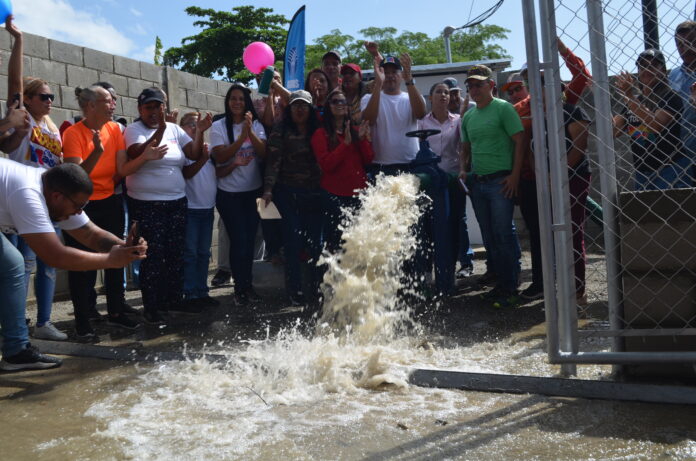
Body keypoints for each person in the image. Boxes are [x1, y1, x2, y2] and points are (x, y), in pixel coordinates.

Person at [0, 159, 146, 370]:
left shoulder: (54, 190)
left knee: (12, 263)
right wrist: (111, 260)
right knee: (12, 263)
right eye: (78, 206)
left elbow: (91, 235)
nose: (79, 212)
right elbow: (55, 256)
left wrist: (124, 247)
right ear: (58, 196)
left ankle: (16, 352)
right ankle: (15, 350)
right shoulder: (29, 194)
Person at [118, 87, 211, 324]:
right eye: (148, 107)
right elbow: (137, 151)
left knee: (174, 253)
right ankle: (152, 306)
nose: (153, 112)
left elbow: (193, 151)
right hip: (147, 204)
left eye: (157, 107)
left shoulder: (175, 129)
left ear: (164, 108)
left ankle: (172, 300)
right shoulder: (133, 130)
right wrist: (159, 129)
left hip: (176, 201)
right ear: (140, 110)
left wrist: (199, 132)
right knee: (153, 256)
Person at [1, 16, 66, 341]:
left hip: (46, 201)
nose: (50, 101)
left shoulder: (51, 126)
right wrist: (18, 40)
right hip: (18, 198)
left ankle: (43, 322)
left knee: (47, 264)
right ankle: (16, 325)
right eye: (43, 96)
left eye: (52, 97)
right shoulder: (22, 116)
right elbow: (14, 81)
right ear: (27, 99)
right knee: (19, 267)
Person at [515, 38, 592, 300]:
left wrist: (559, 47)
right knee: (546, 234)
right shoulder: (529, 111)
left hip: (570, 177)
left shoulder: (568, 106)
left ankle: (577, 290)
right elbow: (529, 146)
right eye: (530, 81)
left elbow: (580, 144)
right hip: (540, 181)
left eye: (541, 79)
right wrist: (537, 176)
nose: (535, 85)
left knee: (572, 232)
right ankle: (549, 286)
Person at [62, 85, 140, 340]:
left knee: (117, 257)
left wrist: (147, 155)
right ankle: (83, 320)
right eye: (107, 100)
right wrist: (96, 151)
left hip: (110, 201)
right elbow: (76, 178)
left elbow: (121, 168)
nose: (113, 104)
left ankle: (117, 312)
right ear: (91, 105)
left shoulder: (115, 129)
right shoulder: (73, 134)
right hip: (81, 206)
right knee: (82, 266)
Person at [459, 65, 524, 306]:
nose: (474, 89)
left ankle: (511, 287)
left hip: (501, 181)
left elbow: (519, 140)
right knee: (489, 236)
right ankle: (500, 284)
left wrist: (515, 175)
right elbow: (465, 148)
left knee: (503, 233)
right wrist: (464, 170)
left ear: (491, 86)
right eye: (471, 86)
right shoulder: (469, 116)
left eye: (479, 84)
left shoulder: (503, 109)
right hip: (479, 183)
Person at [263, 90, 323, 306]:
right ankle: (294, 290)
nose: (300, 109)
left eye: (304, 106)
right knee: (292, 242)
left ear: (310, 109)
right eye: (296, 105)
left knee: (316, 243)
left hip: (314, 194)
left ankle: (317, 288)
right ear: (290, 108)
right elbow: (273, 161)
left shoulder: (318, 129)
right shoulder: (281, 129)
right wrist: (268, 189)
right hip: (288, 193)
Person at [210, 83, 267, 306]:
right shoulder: (218, 126)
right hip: (229, 194)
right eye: (233, 98)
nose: (237, 102)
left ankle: (247, 286)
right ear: (227, 101)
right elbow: (220, 156)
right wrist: (240, 137)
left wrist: (249, 132)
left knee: (250, 240)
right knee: (239, 241)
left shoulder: (257, 124)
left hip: (252, 193)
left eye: (241, 99)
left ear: (247, 102)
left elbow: (263, 152)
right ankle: (239, 289)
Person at [418, 82, 475, 279]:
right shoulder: (422, 124)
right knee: (428, 226)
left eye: (446, 93)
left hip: (453, 180)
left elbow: (464, 149)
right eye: (438, 92)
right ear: (430, 97)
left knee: (456, 223)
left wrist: (462, 169)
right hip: (430, 183)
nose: (443, 95)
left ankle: (455, 269)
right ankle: (428, 272)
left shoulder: (458, 121)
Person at [311, 88, 374, 252]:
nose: (340, 104)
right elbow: (327, 165)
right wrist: (345, 145)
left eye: (343, 101)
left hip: (358, 196)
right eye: (335, 101)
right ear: (328, 106)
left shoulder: (354, 131)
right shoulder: (320, 134)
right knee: (337, 247)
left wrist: (364, 141)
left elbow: (368, 160)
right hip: (334, 197)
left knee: (358, 246)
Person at [614, 49, 687, 190]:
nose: (647, 70)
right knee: (646, 212)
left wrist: (629, 96)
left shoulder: (671, 97)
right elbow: (613, 131)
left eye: (653, 65)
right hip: (642, 172)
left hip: (671, 169)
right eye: (643, 66)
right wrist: (601, 98)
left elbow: (656, 125)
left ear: (663, 71)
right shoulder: (634, 102)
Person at [178, 112, 219, 308]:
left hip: (207, 208)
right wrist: (202, 159)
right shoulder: (184, 151)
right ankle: (190, 294)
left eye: (199, 125)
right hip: (191, 209)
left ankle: (202, 291)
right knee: (190, 253)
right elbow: (187, 173)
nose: (195, 128)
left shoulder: (208, 149)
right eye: (191, 125)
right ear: (182, 128)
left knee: (204, 253)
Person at [360, 51, 427, 173]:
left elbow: (421, 114)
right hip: (380, 165)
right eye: (386, 72)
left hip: (411, 163)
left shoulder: (412, 96)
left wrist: (409, 80)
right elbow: (369, 120)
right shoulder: (368, 98)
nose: (390, 75)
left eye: (394, 72)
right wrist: (379, 84)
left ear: (401, 75)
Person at [668, 20, 696, 186]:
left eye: (691, 41)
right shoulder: (673, 76)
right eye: (680, 44)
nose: (685, 48)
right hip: (680, 155)